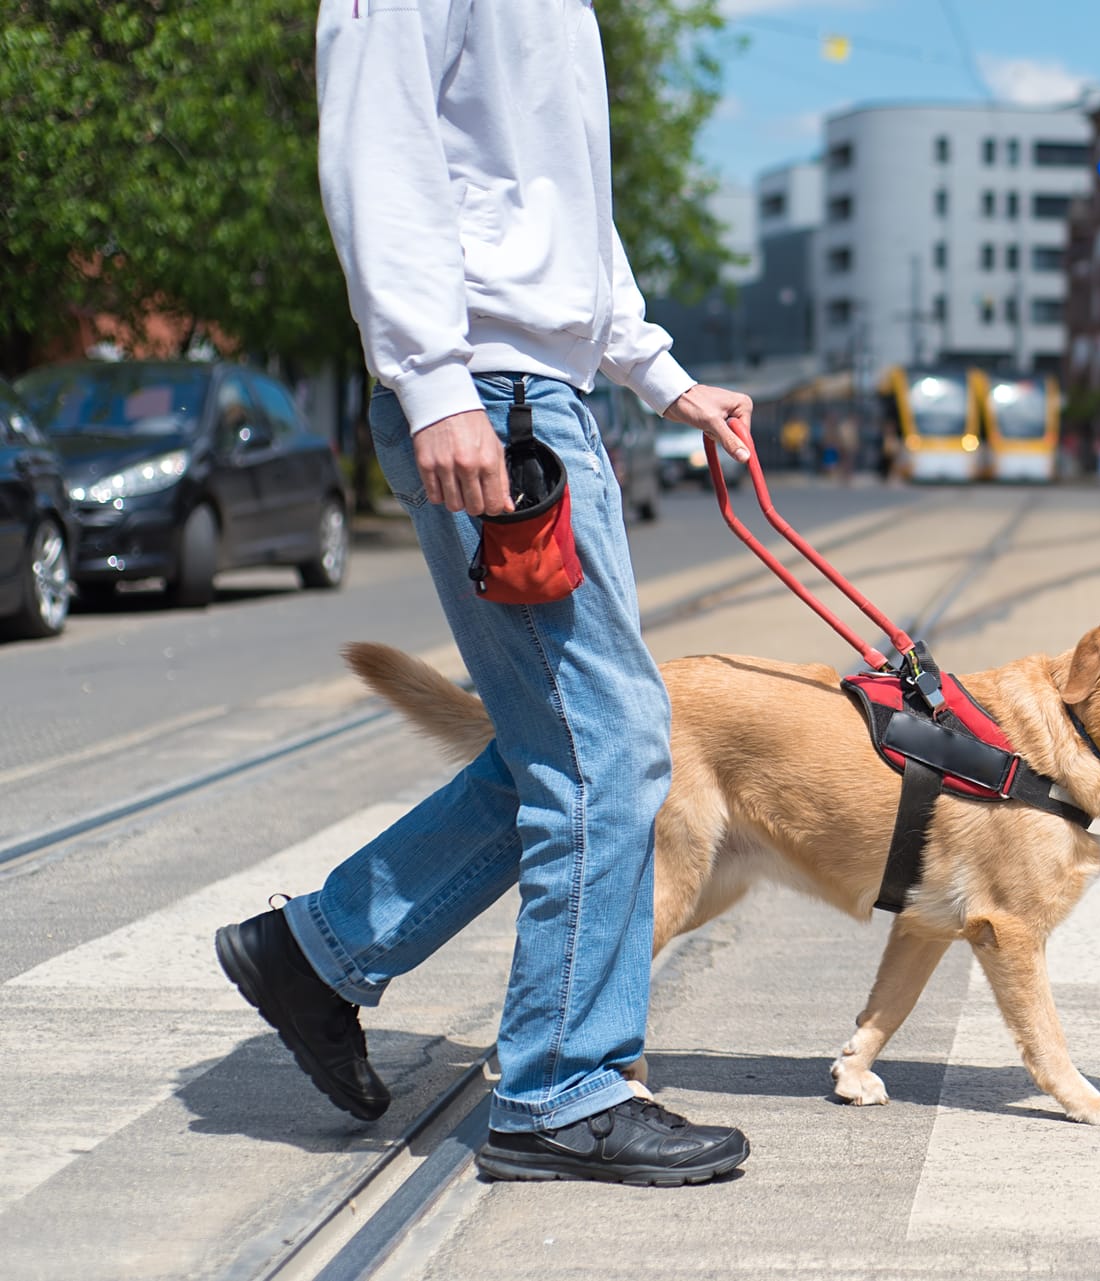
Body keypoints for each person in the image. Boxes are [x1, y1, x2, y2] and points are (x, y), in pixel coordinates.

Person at [213, 0, 755, 1187]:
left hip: (543, 393)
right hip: (490, 394)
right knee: (607, 744)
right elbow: (380, 148)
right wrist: (432, 377)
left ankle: (317, 954)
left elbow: (560, 209)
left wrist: (660, 377)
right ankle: (561, 1090)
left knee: (566, 740)